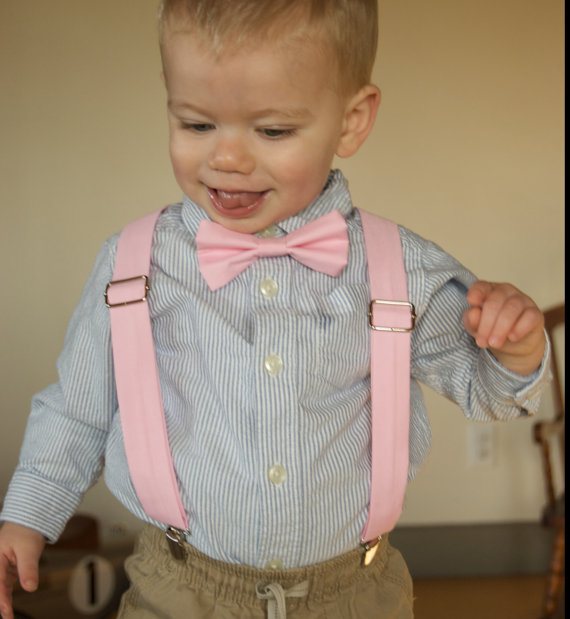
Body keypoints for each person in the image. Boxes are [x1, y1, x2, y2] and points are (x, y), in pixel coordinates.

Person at [0, 1, 549, 617]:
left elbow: (488, 391)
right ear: (169, 99)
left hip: (355, 592)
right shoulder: (135, 263)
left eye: (273, 131)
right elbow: (78, 407)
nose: (227, 158)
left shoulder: (400, 267)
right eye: (198, 124)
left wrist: (516, 349)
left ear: (351, 120)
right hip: (179, 588)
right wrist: (29, 512)